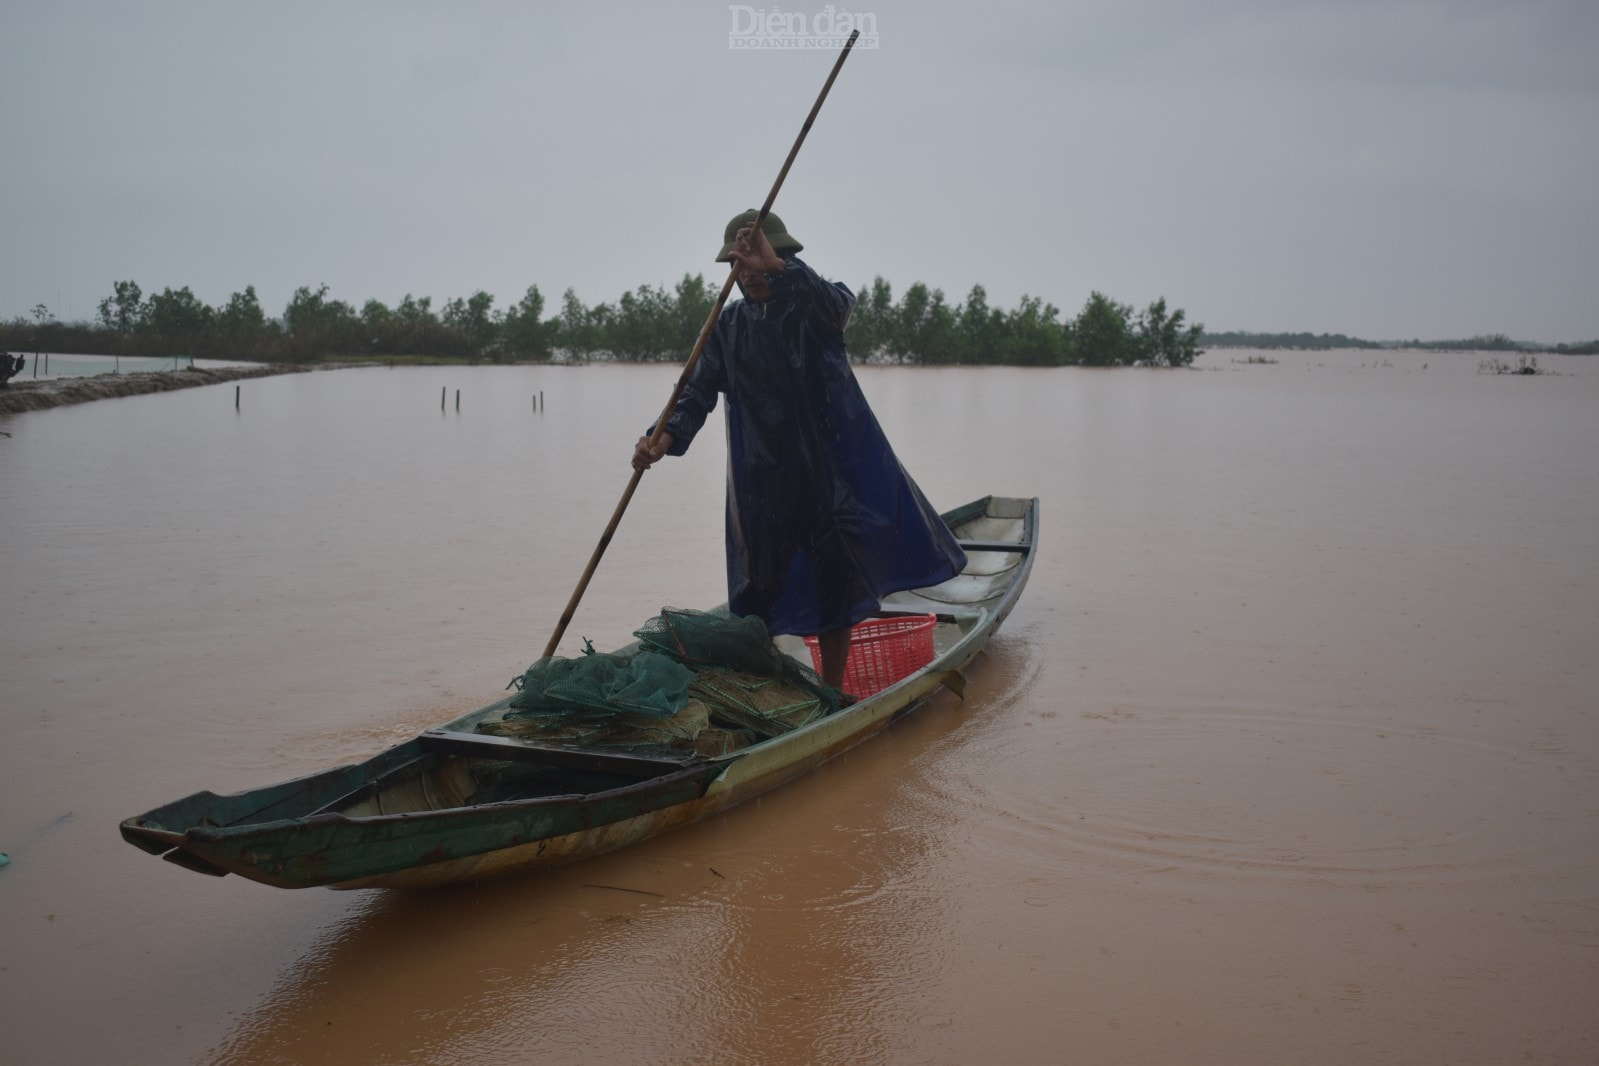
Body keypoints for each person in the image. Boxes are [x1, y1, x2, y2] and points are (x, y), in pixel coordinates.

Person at [633, 209, 967, 693]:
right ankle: (766, 693)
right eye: (738, 267)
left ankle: (831, 692)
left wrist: (777, 267)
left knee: (835, 587)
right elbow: (695, 393)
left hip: (828, 477)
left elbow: (835, 306)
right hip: (760, 480)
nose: (748, 275)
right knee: (756, 588)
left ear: (781, 257)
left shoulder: (815, 308)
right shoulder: (727, 327)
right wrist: (660, 438)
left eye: (757, 262)